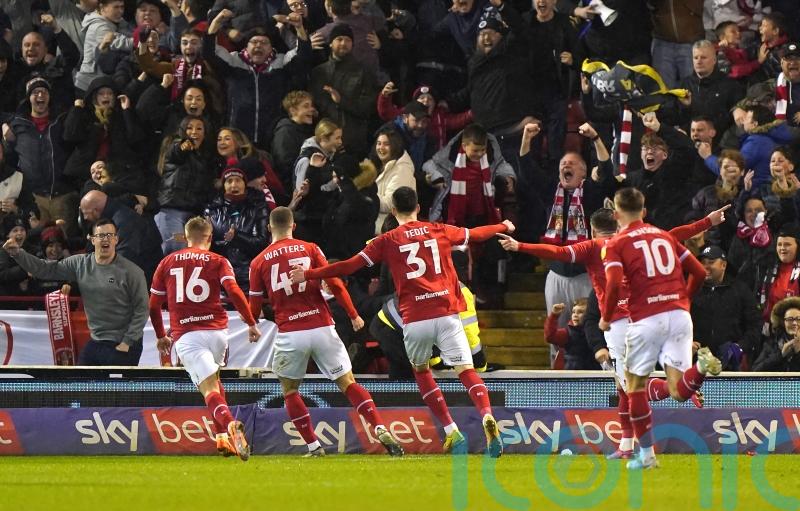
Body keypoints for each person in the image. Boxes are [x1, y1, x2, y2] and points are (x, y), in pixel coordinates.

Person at [290, 186, 514, 457]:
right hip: (446, 312)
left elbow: (348, 266)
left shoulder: (387, 239)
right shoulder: (438, 229)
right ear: (418, 207)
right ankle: (487, 414)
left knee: (421, 372)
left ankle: (450, 429)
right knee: (466, 370)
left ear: (393, 210)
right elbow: (476, 234)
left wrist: (310, 274)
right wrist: (503, 225)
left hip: (415, 317)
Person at [248, 206, 403, 457]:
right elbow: (335, 284)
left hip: (291, 333)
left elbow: (254, 303)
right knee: (348, 383)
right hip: (322, 326)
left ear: (269, 228)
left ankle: (314, 446)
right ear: (293, 226)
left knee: (290, 390)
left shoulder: (258, 261)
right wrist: (353, 315)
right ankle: (379, 427)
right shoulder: (310, 248)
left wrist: (252, 324)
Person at [599, 187, 721, 470]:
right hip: (679, 316)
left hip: (646, 318)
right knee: (678, 390)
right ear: (643, 211)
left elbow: (613, 284)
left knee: (634, 387)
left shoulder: (616, 243)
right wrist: (684, 301)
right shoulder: (665, 236)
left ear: (616, 215)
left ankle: (647, 456)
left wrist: (605, 317)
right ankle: (701, 368)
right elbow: (699, 272)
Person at [149, 217, 259, 461]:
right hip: (217, 333)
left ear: (185, 237)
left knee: (208, 389)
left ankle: (230, 425)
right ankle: (221, 439)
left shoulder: (167, 262)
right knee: (215, 380)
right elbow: (234, 291)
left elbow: (154, 305)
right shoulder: (219, 260)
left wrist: (160, 335)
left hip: (187, 334)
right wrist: (251, 322)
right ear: (209, 237)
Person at [2, 218, 149, 365]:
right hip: (97, 341)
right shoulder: (80, 264)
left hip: (124, 343)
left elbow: (142, 309)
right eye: (100, 235)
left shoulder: (132, 272)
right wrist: (18, 254)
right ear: (92, 240)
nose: (106, 239)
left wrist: (127, 342)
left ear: (116, 239)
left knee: (117, 380)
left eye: (110, 235)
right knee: (79, 378)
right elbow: (44, 269)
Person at [692, 245, 761, 369]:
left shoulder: (740, 290)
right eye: (703, 262)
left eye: (711, 262)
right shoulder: (692, 289)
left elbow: (755, 325)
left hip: (730, 363)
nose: (705, 266)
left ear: (723, 265)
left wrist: (740, 347)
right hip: (695, 362)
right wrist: (686, 343)